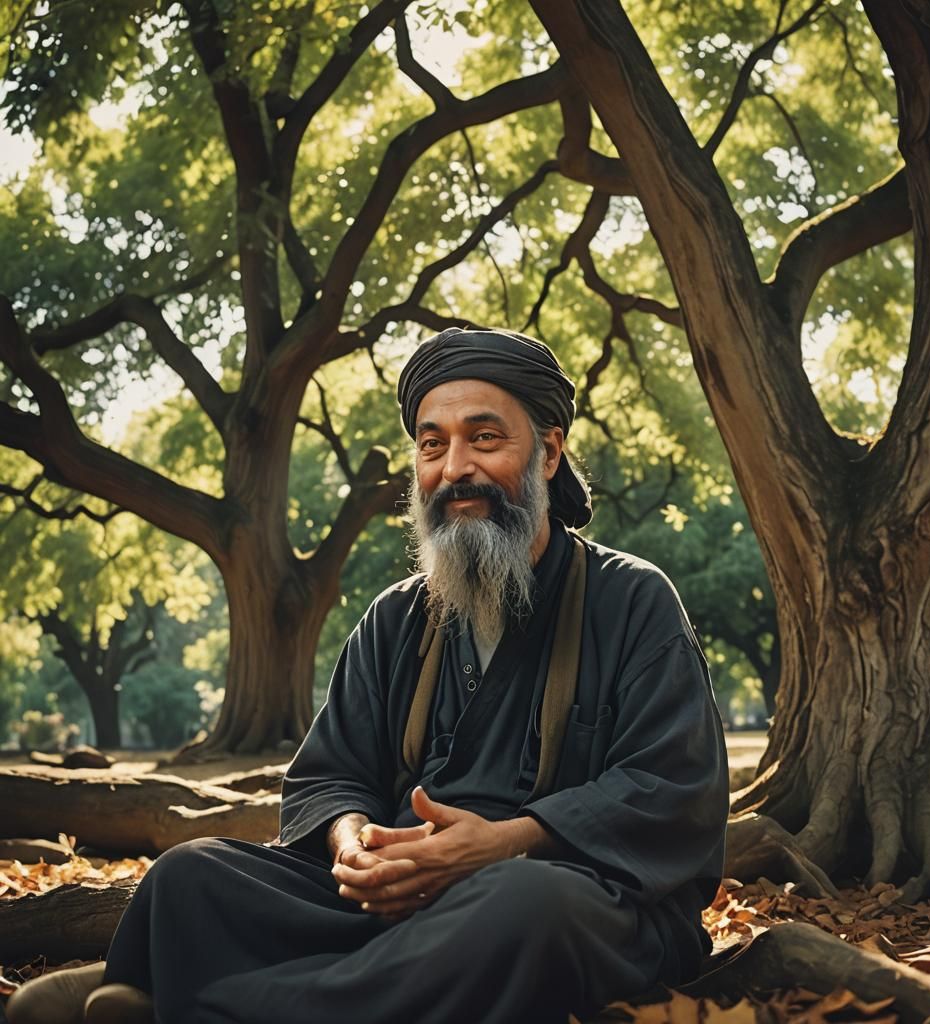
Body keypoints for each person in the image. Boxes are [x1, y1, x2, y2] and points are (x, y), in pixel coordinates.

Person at [7, 327, 729, 1024]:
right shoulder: (397, 618)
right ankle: (270, 985)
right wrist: (353, 843)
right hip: (402, 901)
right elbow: (329, 777)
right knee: (189, 874)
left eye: (484, 439)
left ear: (546, 452)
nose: (455, 470)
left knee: (523, 908)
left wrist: (506, 841)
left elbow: (672, 790)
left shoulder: (632, 599)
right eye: (432, 445)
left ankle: (197, 1002)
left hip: (574, 897)